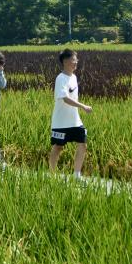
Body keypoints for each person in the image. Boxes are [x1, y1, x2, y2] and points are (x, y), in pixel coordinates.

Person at [48, 48, 93, 177]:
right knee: (58, 147)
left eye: (76, 59)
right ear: (65, 61)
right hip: (61, 122)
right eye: (73, 60)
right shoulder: (60, 78)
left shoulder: (73, 77)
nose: (76, 62)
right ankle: (52, 175)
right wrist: (83, 106)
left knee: (83, 144)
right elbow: (65, 98)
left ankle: (77, 174)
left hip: (75, 121)